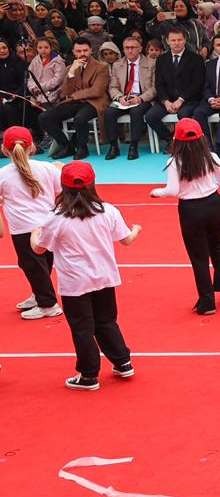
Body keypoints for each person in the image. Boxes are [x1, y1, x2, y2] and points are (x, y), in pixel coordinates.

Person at [31, 160, 140, 391]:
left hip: (75, 282)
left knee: (82, 327)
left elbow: (39, 248)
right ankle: (122, 361)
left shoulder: (57, 217)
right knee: (106, 320)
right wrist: (136, 229)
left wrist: (34, 233)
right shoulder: (107, 210)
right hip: (104, 277)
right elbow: (127, 239)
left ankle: (89, 374)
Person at [149, 117, 220, 315]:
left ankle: (207, 301)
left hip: (191, 209)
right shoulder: (211, 157)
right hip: (215, 204)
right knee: (216, 242)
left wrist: (156, 192)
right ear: (202, 137)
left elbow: (172, 190)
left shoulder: (174, 161)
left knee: (198, 256)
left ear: (176, 140)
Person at [0, 126, 61, 319]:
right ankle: (39, 294)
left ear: (4, 149)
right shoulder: (46, 168)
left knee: (32, 264)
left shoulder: (3, 174)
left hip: (24, 229)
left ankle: (48, 303)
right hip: (47, 224)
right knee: (42, 262)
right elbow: (61, 189)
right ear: (32, 147)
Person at [38, 38, 108, 161]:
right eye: (79, 51)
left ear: (91, 50)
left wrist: (75, 95)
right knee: (44, 117)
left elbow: (97, 91)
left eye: (85, 50)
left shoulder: (101, 67)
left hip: (93, 102)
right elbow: (64, 93)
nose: (82, 54)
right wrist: (71, 73)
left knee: (80, 118)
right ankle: (66, 145)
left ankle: (82, 148)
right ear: (73, 52)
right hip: (74, 102)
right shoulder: (70, 68)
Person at [103, 35, 155, 160]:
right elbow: (112, 87)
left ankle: (133, 146)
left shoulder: (151, 64)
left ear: (140, 48)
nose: (130, 50)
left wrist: (141, 98)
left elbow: (154, 88)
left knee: (136, 112)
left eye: (133, 47)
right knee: (109, 112)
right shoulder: (117, 65)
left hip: (142, 98)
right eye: (127, 48)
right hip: (124, 99)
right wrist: (119, 97)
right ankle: (114, 146)